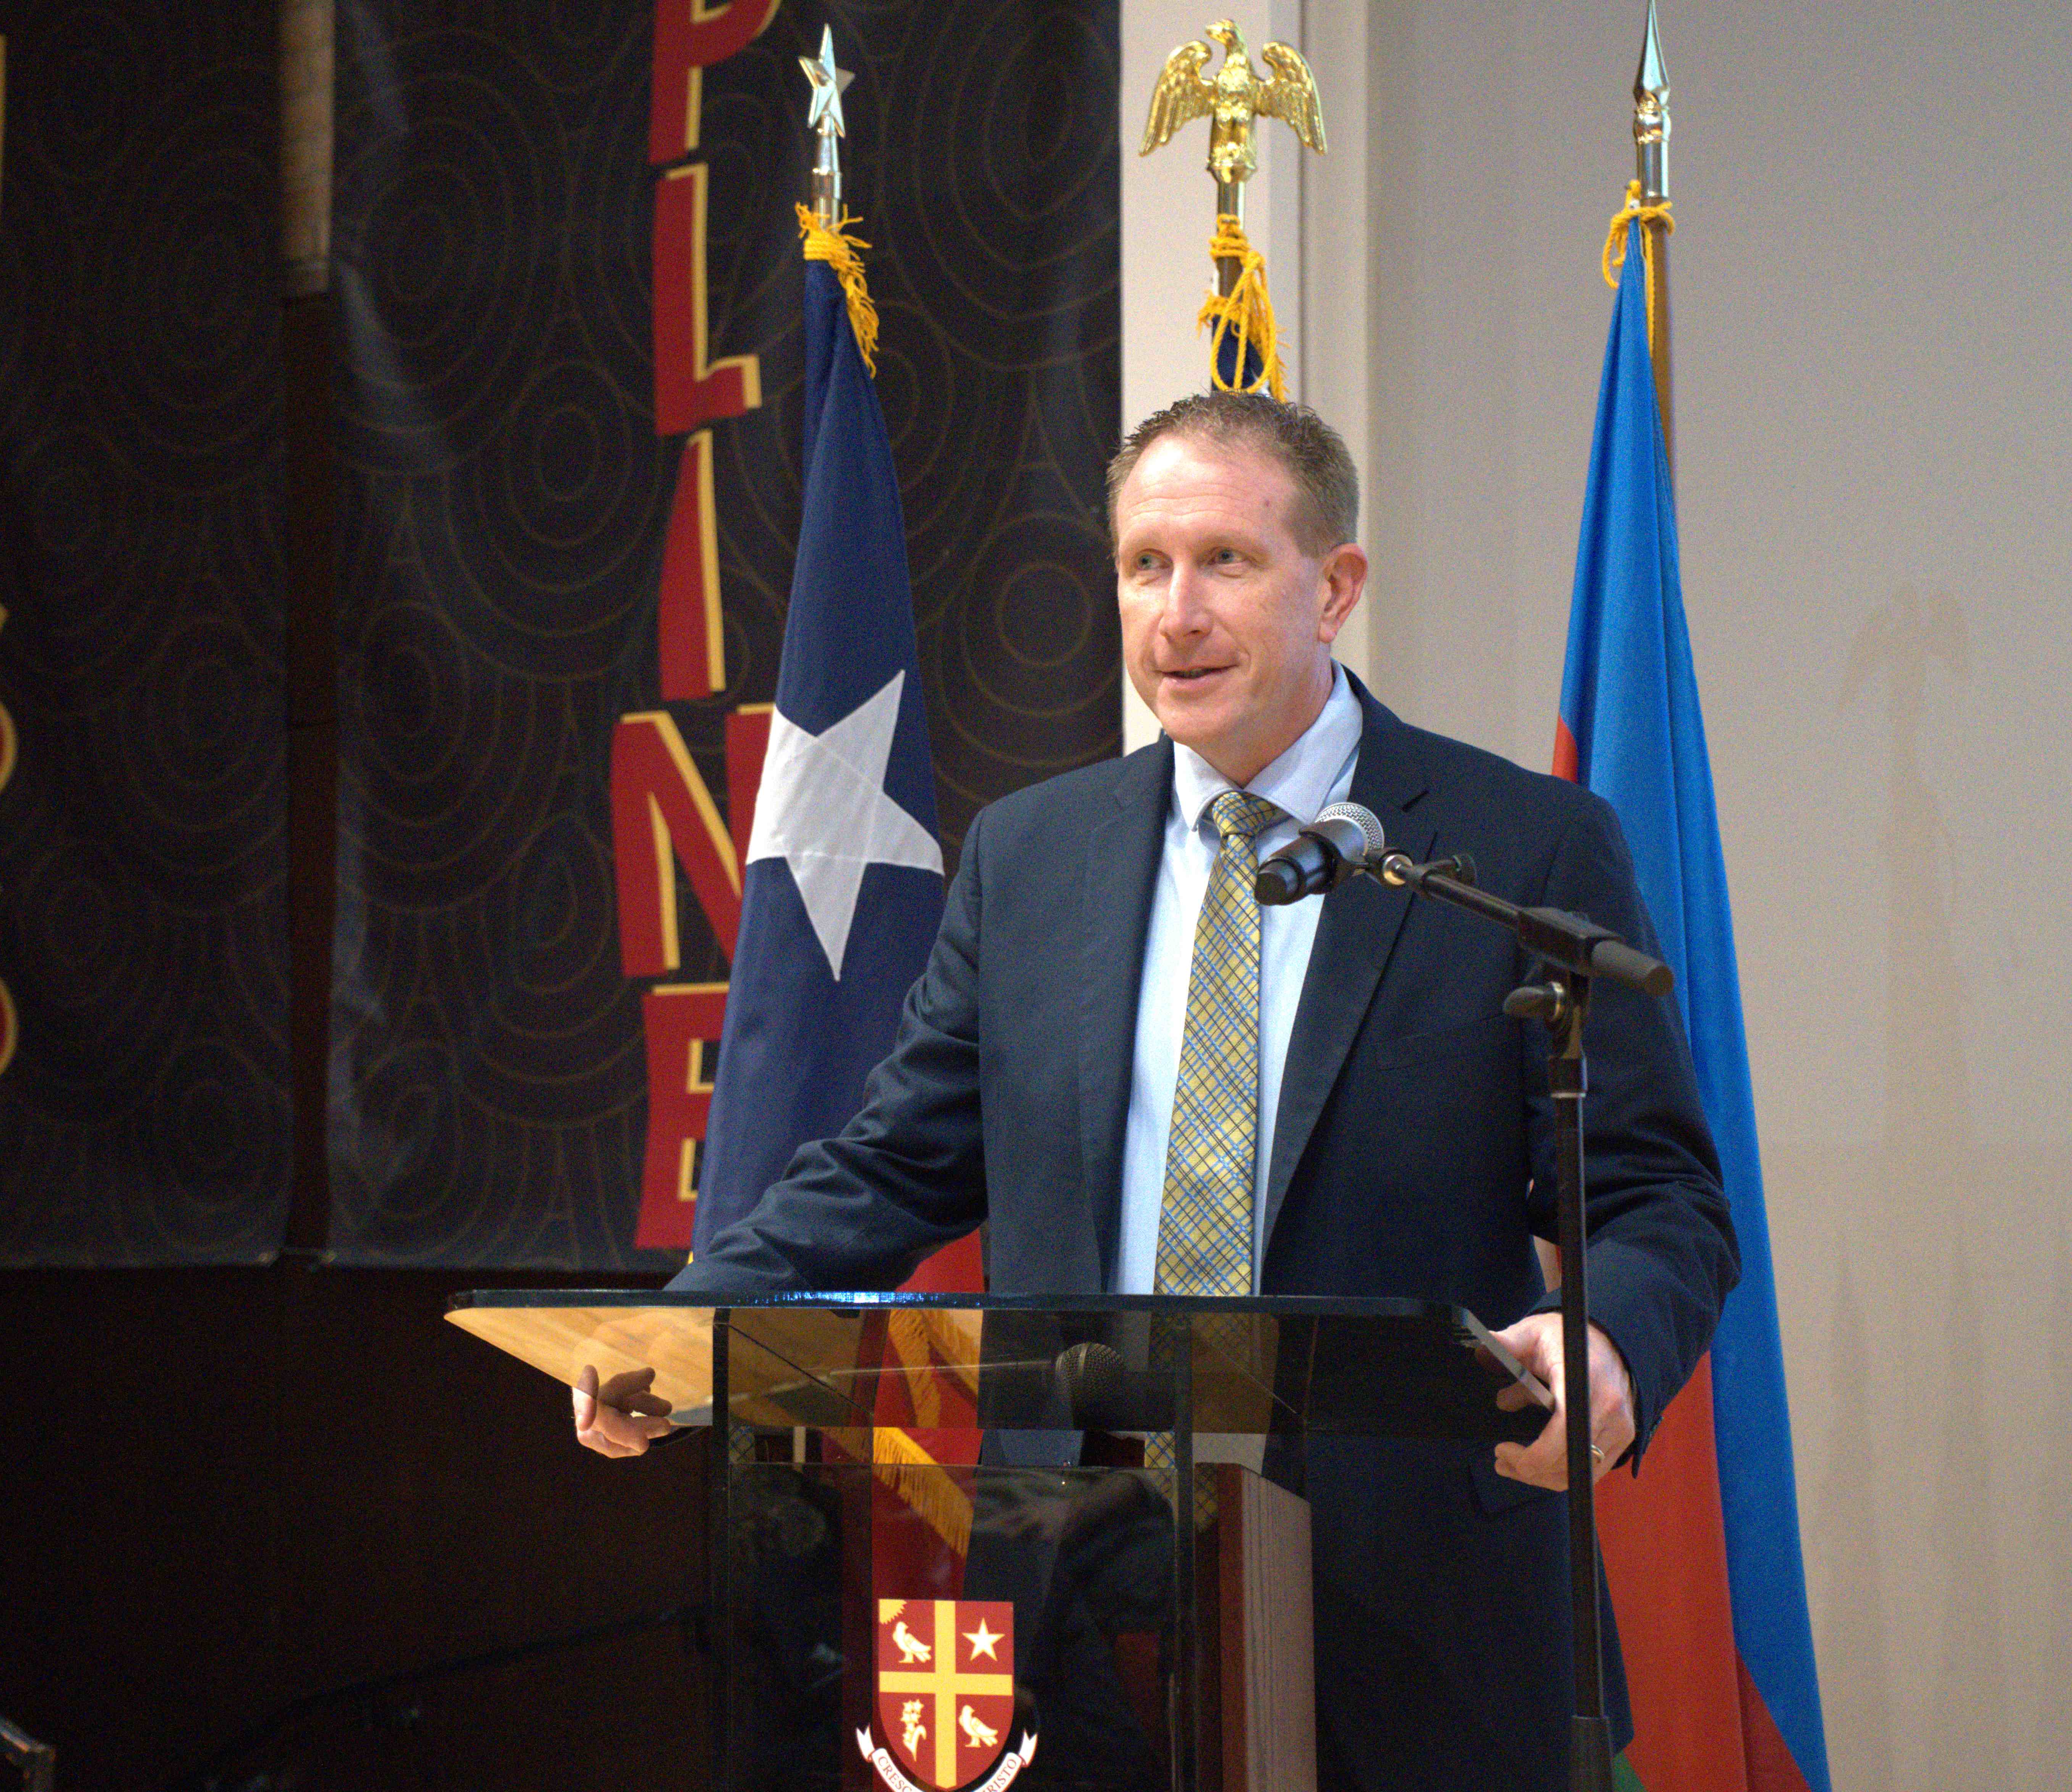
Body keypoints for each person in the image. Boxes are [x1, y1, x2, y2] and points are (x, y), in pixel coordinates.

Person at [576, 392, 1737, 1790]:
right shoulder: (1031, 854)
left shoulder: (1514, 847)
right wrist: (692, 1324)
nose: (1175, 616)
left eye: (1224, 562)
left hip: (1418, 1601)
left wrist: (1604, 1339)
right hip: (1076, 1592)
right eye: (1143, 566)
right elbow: (896, 1162)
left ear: (1335, 588)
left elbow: (1658, 1194)